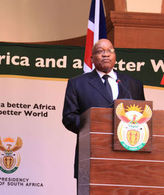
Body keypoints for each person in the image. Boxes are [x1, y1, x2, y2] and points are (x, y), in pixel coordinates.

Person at [62, 39, 145, 180]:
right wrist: (94, 124)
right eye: (100, 51)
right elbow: (69, 117)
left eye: (110, 51)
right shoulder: (77, 84)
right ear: (92, 58)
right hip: (92, 154)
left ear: (115, 56)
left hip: (126, 157)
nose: (106, 55)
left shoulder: (133, 84)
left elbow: (143, 118)